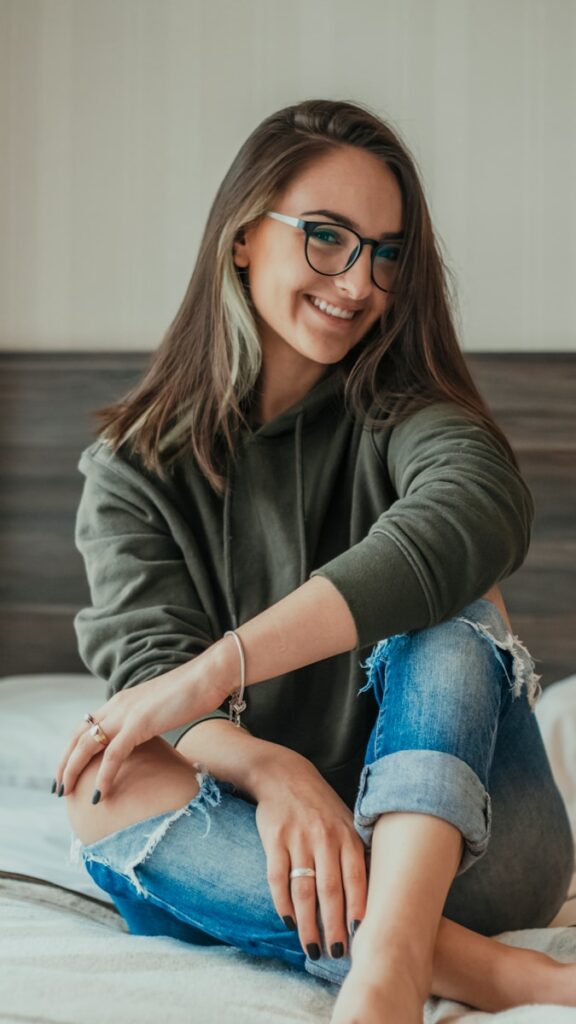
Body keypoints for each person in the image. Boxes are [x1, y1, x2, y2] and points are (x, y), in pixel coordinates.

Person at [55, 99, 574, 1024]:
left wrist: (222, 668)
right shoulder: (133, 469)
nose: (359, 281)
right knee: (105, 784)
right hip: (274, 845)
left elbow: (475, 507)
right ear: (245, 235)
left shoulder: (404, 408)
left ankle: (383, 975)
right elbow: (144, 674)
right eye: (326, 237)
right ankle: (488, 974)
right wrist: (272, 771)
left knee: (450, 614)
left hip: (476, 845)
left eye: (384, 252)